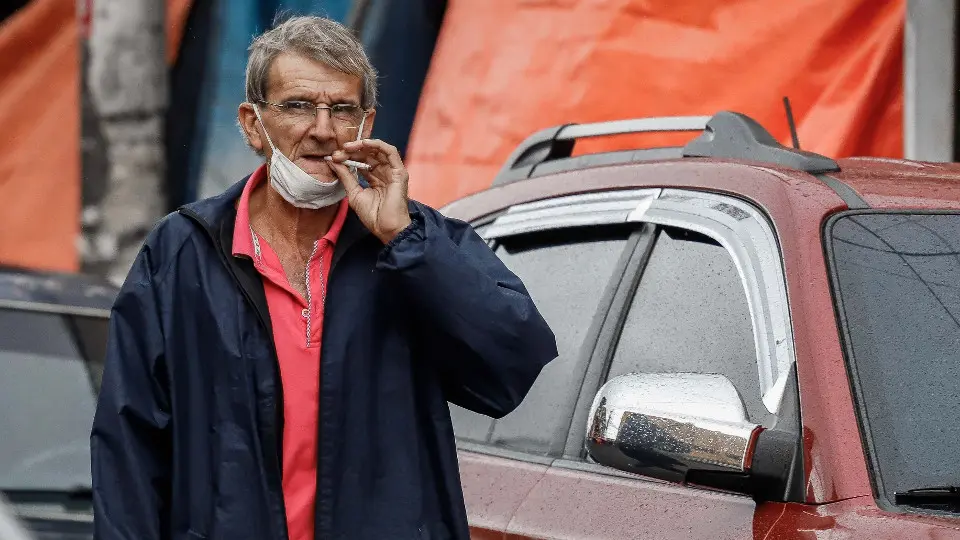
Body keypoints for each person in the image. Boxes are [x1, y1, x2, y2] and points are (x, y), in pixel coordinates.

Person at [89, 15, 557, 540]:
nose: (323, 129)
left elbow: (511, 366)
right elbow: (128, 444)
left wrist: (403, 239)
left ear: (366, 126)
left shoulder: (413, 242)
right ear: (251, 124)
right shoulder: (183, 251)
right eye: (297, 106)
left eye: (343, 109)